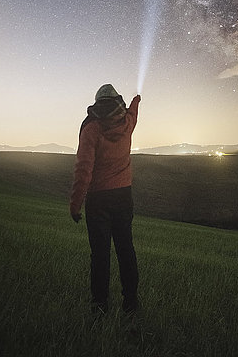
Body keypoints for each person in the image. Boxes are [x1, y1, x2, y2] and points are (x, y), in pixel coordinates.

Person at [70, 84, 141, 315]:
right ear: (117, 100)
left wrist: (76, 203)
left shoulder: (91, 129)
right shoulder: (127, 124)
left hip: (98, 200)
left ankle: (99, 307)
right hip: (123, 196)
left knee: (100, 255)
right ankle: (131, 304)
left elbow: (84, 169)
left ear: (97, 103)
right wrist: (135, 101)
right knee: (126, 250)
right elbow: (133, 113)